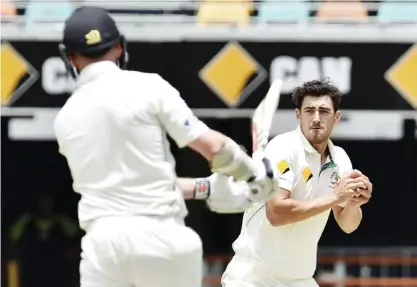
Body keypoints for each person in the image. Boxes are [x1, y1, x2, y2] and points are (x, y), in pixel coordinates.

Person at [53, 6, 278, 287]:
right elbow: (214, 148)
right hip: (163, 241)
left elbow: (131, 186)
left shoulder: (65, 119)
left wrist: (205, 187)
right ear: (119, 47)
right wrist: (254, 176)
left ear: (70, 57)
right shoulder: (148, 87)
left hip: (102, 249)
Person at [221, 78, 373, 287]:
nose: (316, 118)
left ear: (336, 117)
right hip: (253, 278)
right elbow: (276, 213)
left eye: (324, 111)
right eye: (309, 110)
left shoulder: (340, 159)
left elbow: (348, 225)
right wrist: (335, 198)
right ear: (298, 115)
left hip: (299, 280)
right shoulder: (283, 148)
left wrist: (353, 204)